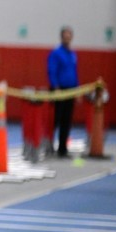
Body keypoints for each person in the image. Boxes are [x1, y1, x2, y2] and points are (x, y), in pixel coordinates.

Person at [47, 26, 78, 157]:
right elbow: (52, 70)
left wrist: (77, 89)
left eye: (69, 36)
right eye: (65, 36)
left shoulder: (72, 54)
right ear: (61, 37)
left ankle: (62, 149)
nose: (67, 38)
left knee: (66, 120)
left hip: (70, 91)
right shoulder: (56, 53)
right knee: (55, 120)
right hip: (59, 90)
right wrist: (56, 87)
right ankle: (48, 147)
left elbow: (74, 72)